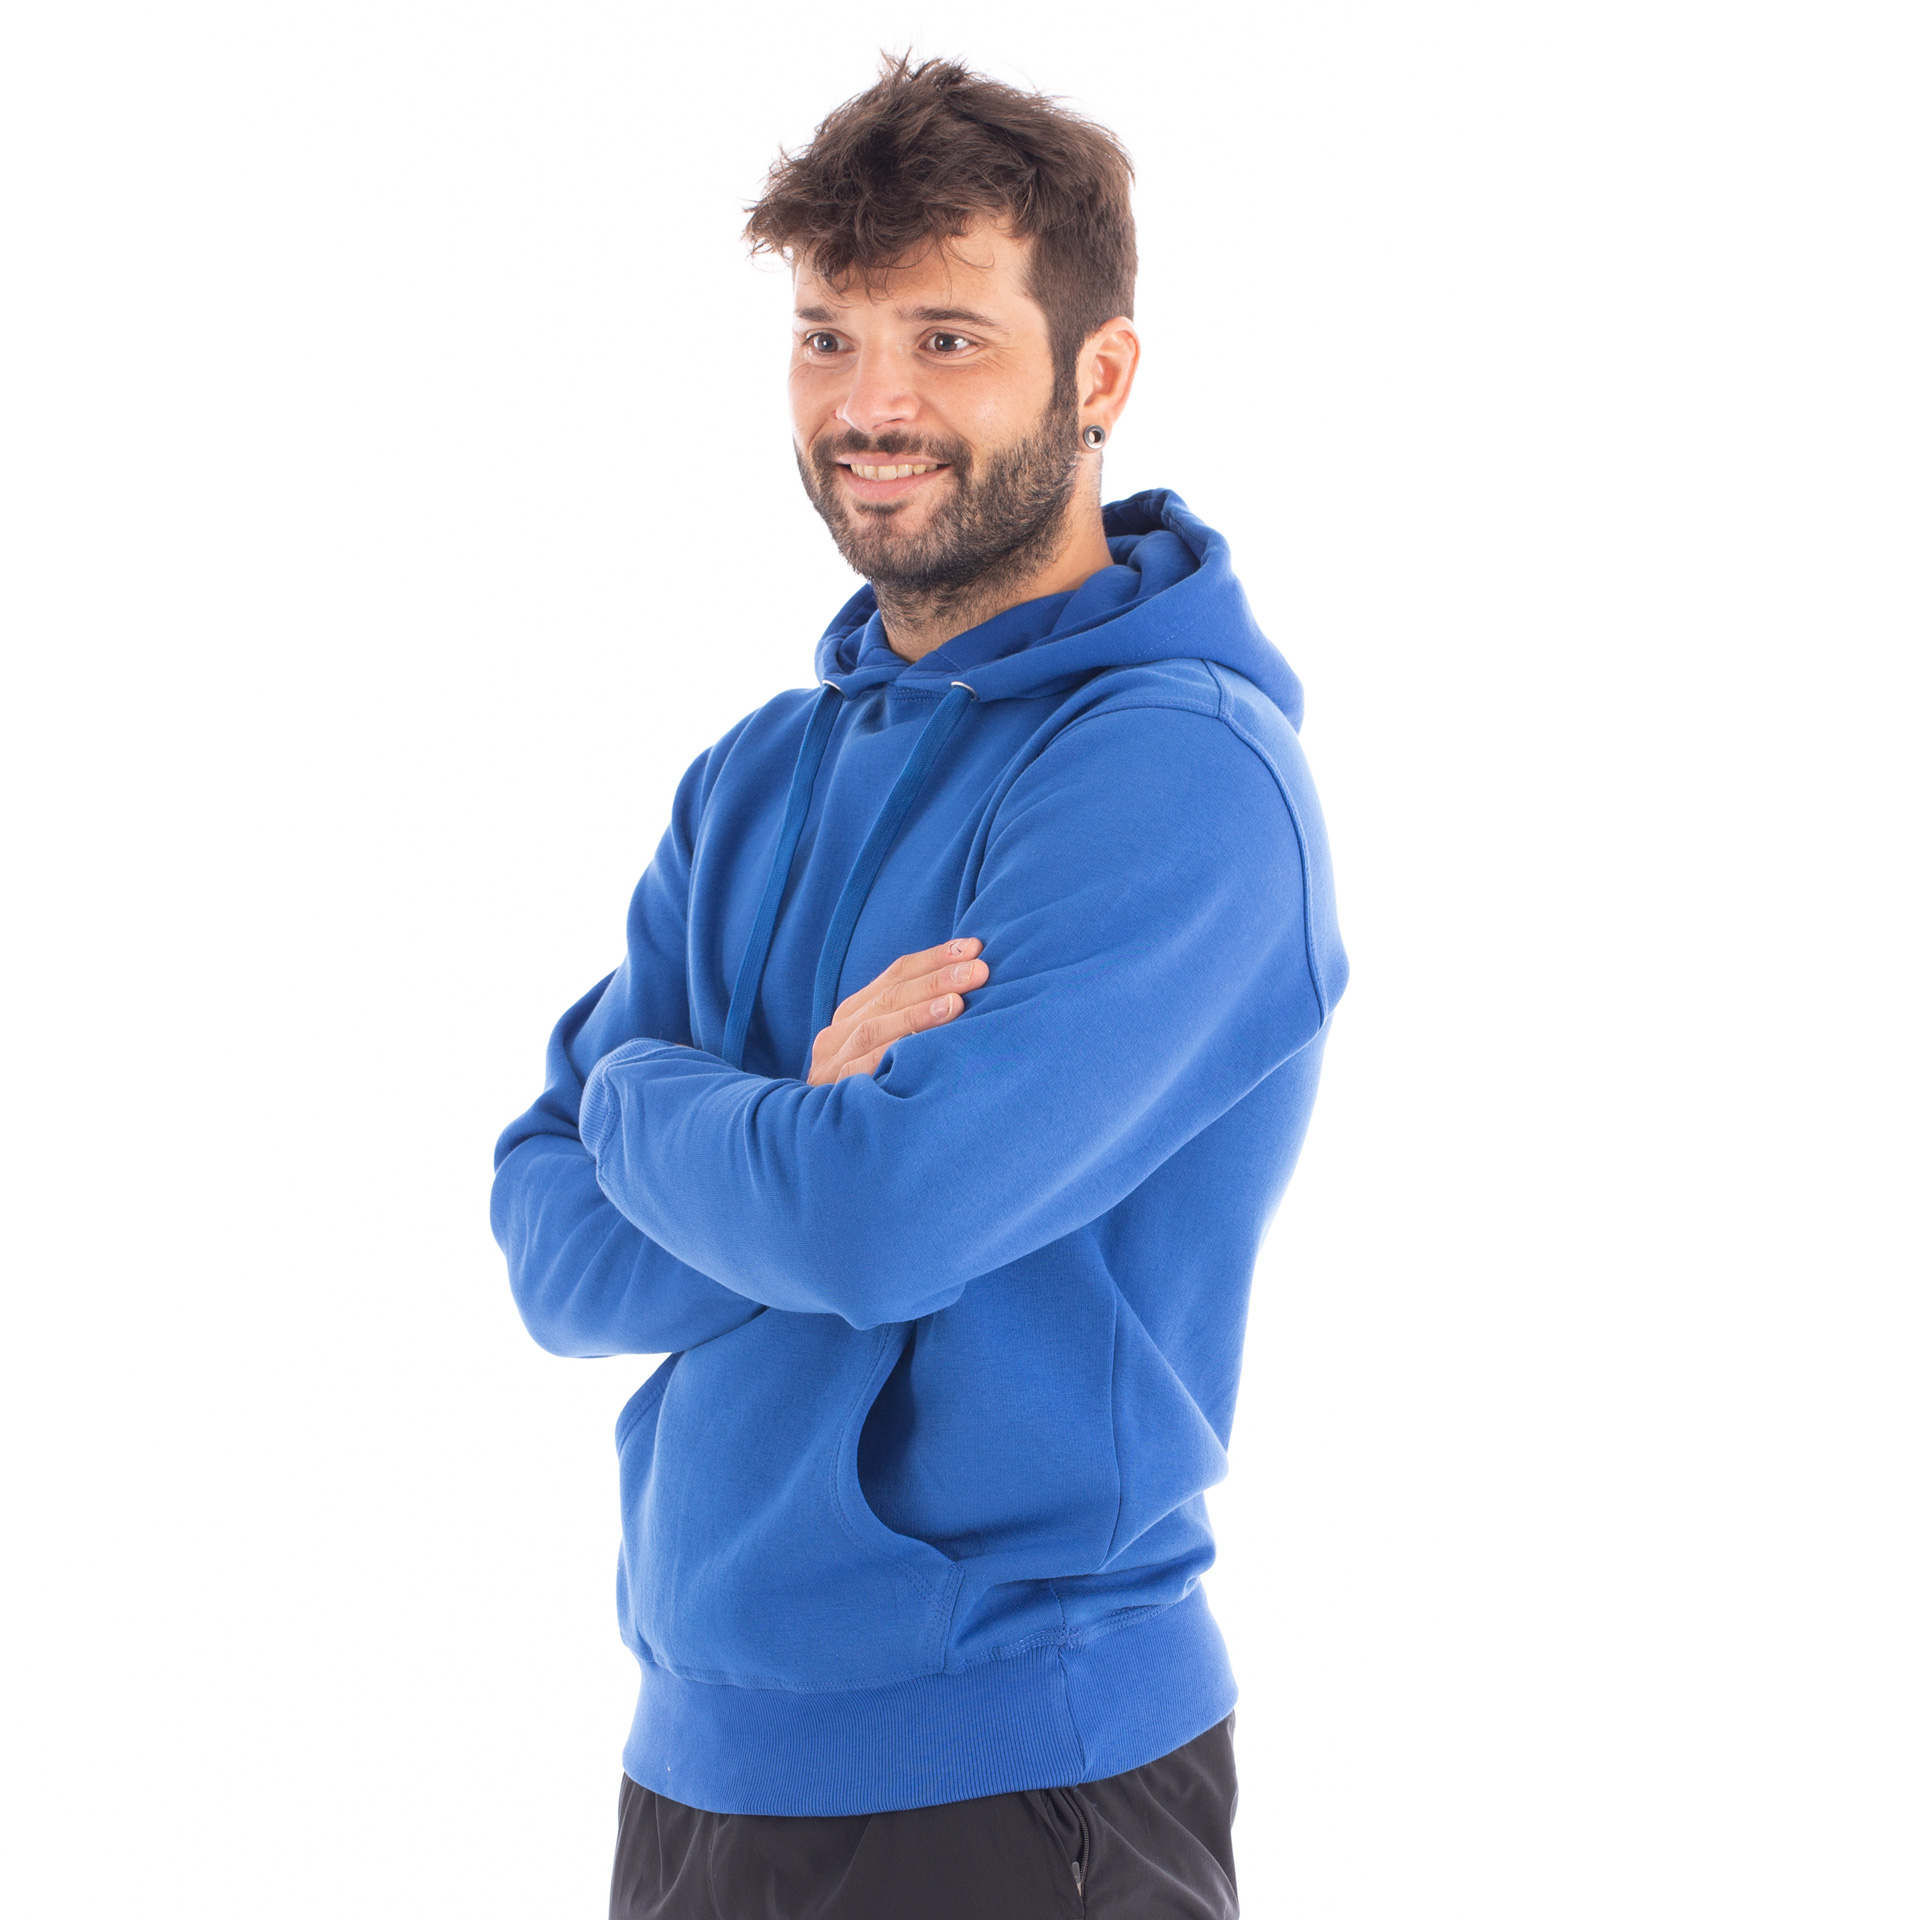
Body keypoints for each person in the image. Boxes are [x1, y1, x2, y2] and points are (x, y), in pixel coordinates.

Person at [490, 52, 1348, 1920]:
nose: (870, 405)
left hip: (1016, 1782)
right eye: (828, 338)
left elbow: (869, 1218)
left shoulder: (1180, 778)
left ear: (1099, 374)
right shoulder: (754, 776)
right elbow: (549, 1248)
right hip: (695, 1763)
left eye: (946, 340)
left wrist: (646, 1100)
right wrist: (784, 1119)